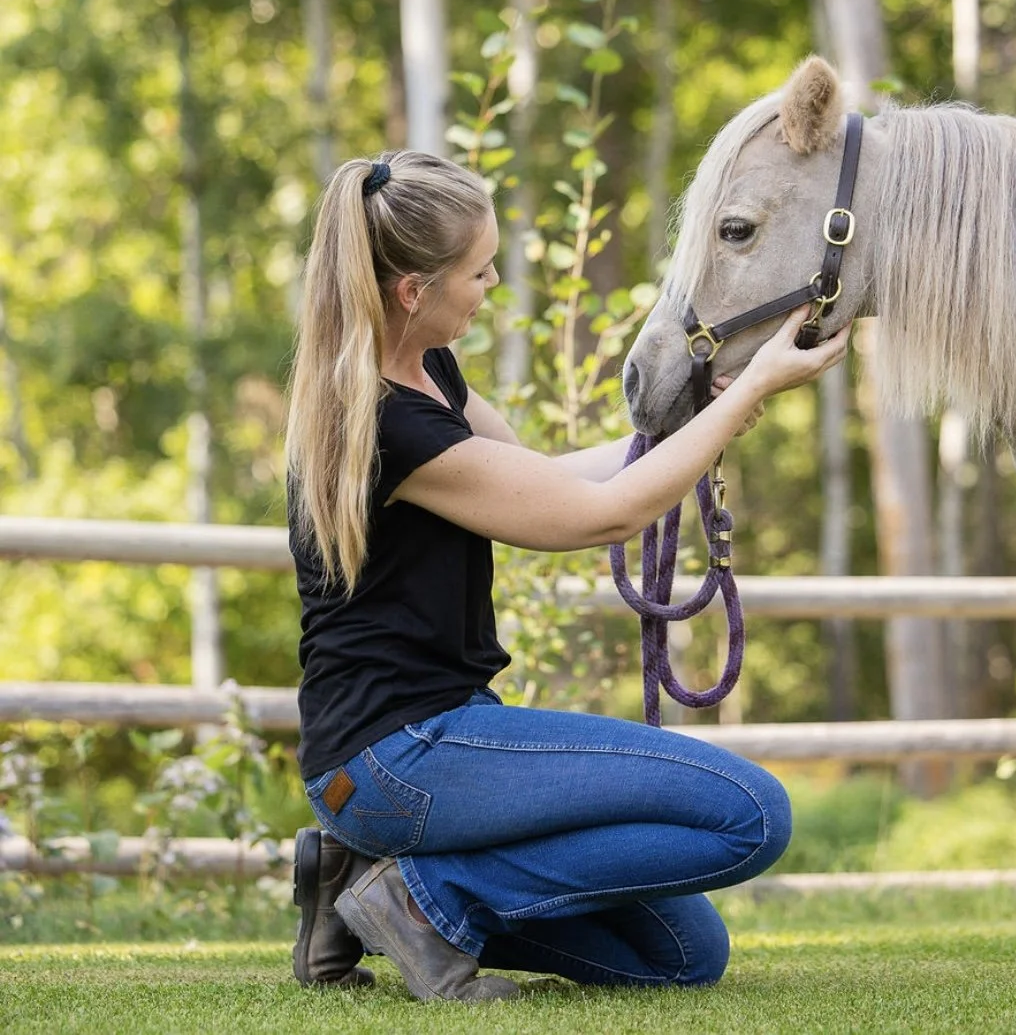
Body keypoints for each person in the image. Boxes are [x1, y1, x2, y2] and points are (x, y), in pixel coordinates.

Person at [285, 149, 849, 1003]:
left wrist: (708, 408)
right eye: (478, 271)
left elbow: (549, 478)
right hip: (398, 754)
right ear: (411, 290)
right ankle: (426, 899)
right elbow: (601, 516)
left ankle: (355, 887)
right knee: (750, 813)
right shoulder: (388, 423)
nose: (491, 285)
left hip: (429, 740)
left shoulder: (429, 372)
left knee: (681, 954)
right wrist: (747, 394)